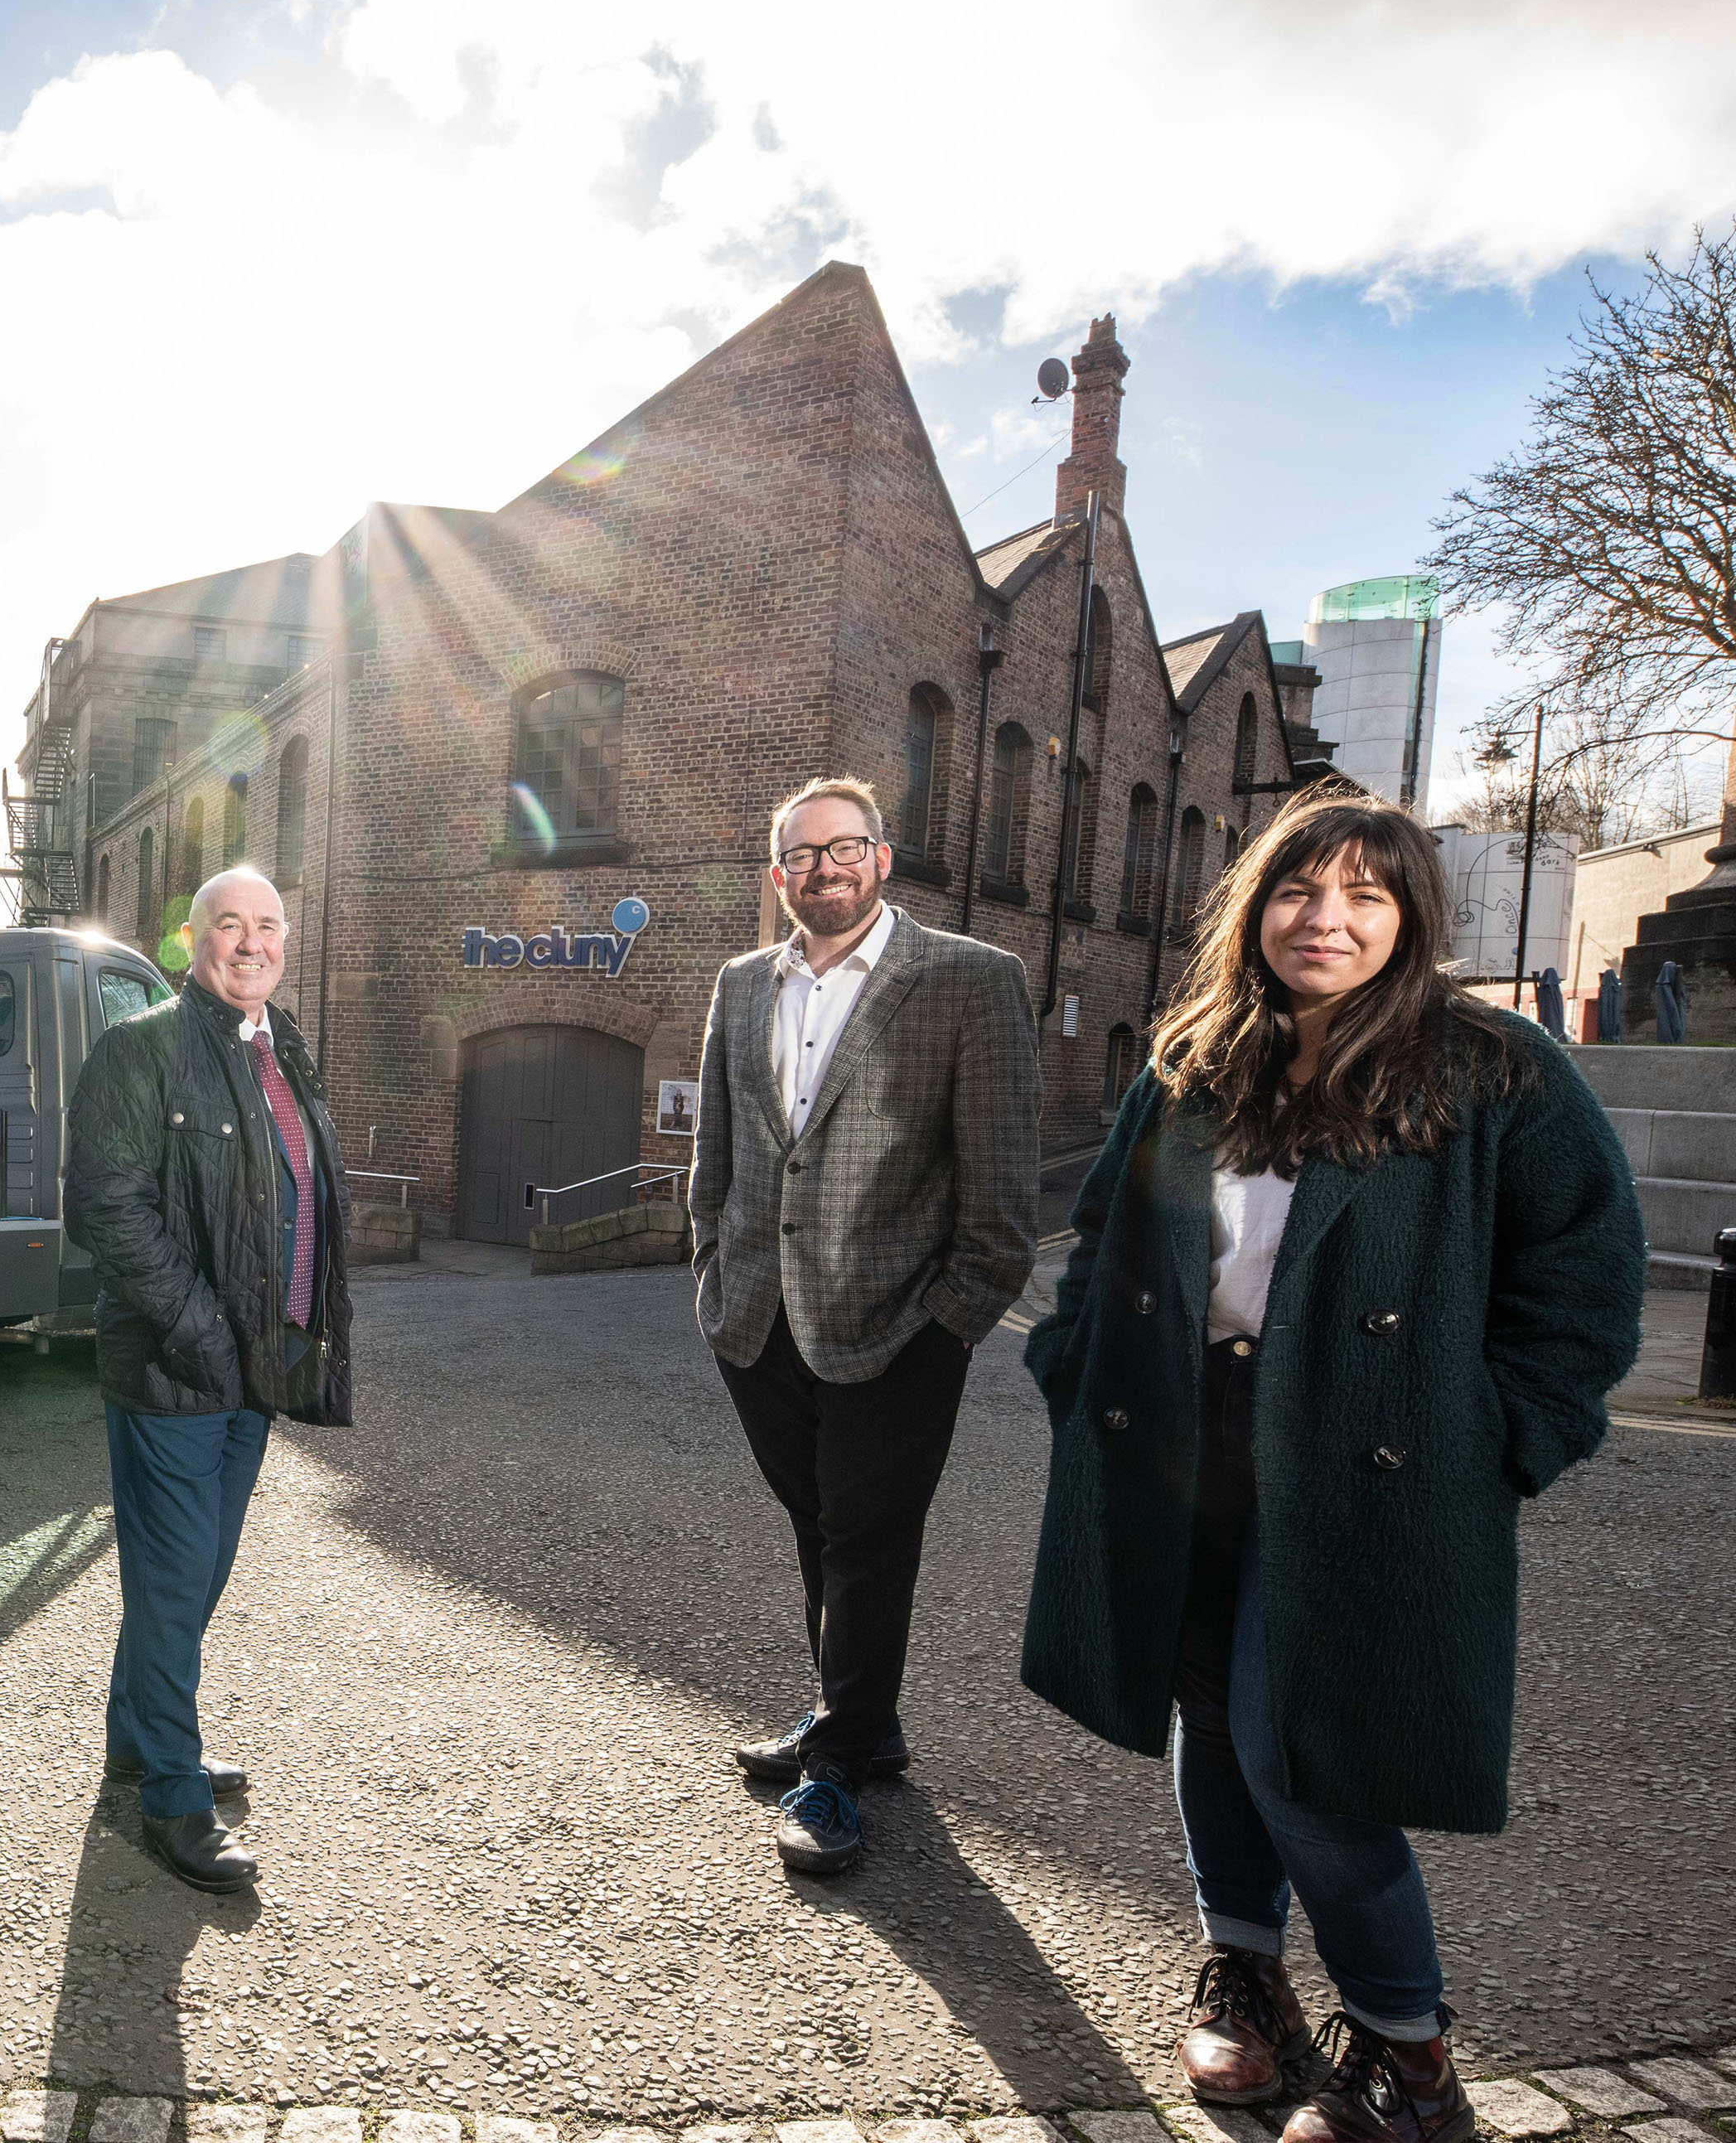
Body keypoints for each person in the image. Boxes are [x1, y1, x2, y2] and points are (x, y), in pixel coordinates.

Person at [1022, 794, 1642, 2143]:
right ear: (1258, 905)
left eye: (1367, 895)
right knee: (1207, 1726)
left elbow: (1589, 1283)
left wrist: (1501, 1444)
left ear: (1410, 916)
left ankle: (1410, 2060)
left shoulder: (1495, 1065)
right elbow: (1102, 1233)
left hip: (1374, 1463)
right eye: (1302, 891)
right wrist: (1074, 1368)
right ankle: (1248, 1976)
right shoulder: (1193, 1058)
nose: (1329, 920)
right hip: (1185, 1443)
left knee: (1307, 1755)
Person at [689, 777, 1041, 1875]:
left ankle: (839, 1769)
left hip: (899, 1328)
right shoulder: (743, 984)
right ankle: (860, 1719)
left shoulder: (971, 981)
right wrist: (710, 1271)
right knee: (819, 1525)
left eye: (846, 847)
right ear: (778, 873)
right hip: (759, 1318)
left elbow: (1000, 1188)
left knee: (866, 1541)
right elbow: (717, 1156)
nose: (824, 866)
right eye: (802, 852)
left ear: (883, 859)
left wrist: (954, 1322)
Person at [64, 863, 353, 1895]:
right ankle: (171, 1800)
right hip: (173, 1372)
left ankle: (141, 1746)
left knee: (192, 1578)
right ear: (191, 941)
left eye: (267, 925)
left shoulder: (281, 1048)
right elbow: (107, 1208)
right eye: (227, 925)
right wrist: (199, 1329)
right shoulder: (137, 1048)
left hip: (254, 1370)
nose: (250, 943)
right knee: (177, 1576)